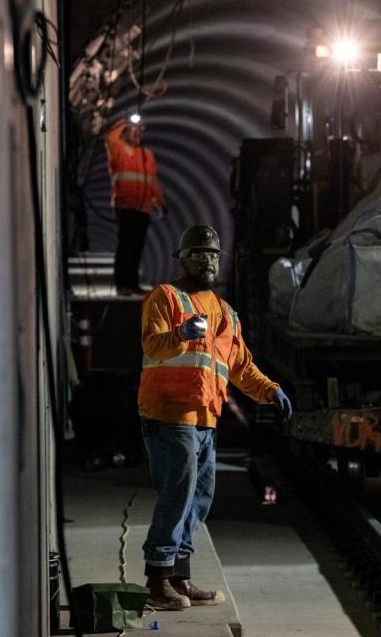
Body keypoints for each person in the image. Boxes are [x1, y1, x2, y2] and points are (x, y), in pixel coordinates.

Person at [137, 224, 293, 610]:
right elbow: (153, 345)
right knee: (178, 494)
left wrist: (268, 390)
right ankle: (157, 579)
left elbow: (240, 366)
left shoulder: (225, 313)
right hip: (169, 412)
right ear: (184, 258)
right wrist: (180, 334)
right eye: (199, 253)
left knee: (199, 498)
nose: (207, 260)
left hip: (206, 418)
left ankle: (180, 576)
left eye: (212, 254)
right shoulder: (165, 298)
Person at [104, 117, 165, 295]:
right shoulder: (119, 150)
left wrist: (161, 203)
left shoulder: (147, 154)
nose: (138, 134)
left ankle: (132, 284)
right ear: (126, 133)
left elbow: (152, 182)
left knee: (137, 247)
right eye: (134, 130)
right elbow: (110, 137)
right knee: (126, 245)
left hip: (143, 208)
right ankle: (122, 285)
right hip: (125, 205)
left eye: (140, 131)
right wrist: (125, 121)